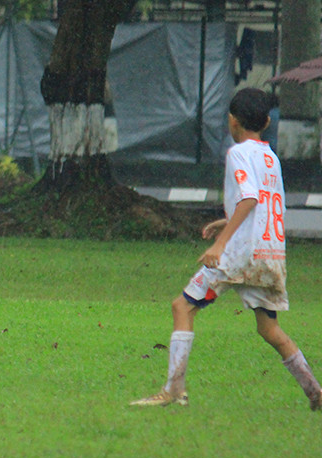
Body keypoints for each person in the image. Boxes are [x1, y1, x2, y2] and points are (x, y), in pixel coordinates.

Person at [131, 88, 321, 410]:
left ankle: (173, 389)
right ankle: (315, 390)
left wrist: (221, 243)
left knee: (183, 307)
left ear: (232, 120)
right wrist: (228, 221)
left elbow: (249, 198)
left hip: (238, 254)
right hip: (270, 253)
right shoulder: (270, 157)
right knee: (269, 327)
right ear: (265, 122)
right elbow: (267, 204)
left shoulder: (238, 153)